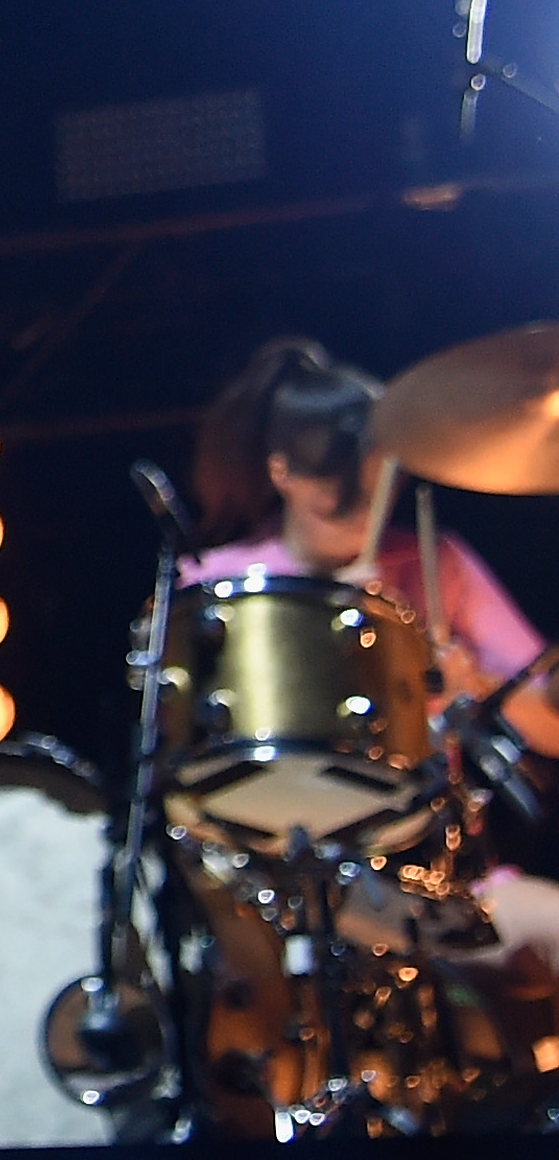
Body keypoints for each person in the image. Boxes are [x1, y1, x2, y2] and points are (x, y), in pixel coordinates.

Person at [185, 335, 559, 957]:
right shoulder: (219, 584)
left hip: (437, 883)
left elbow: (552, 728)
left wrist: (474, 681)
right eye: (346, 493)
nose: (367, 513)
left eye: (378, 485)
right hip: (264, 887)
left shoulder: (437, 566)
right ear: (284, 473)